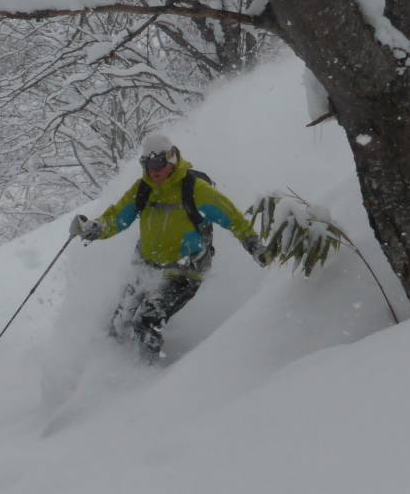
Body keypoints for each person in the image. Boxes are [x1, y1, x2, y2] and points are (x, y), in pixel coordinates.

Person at [69, 133, 272, 363]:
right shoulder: (143, 189)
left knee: (146, 320)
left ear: (171, 159)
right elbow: (118, 216)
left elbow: (232, 217)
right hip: (147, 266)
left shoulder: (195, 189)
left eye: (158, 163)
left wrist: (253, 244)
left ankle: (147, 378)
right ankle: (111, 371)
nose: (153, 170)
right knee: (119, 321)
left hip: (184, 271)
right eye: (146, 164)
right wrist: (93, 229)